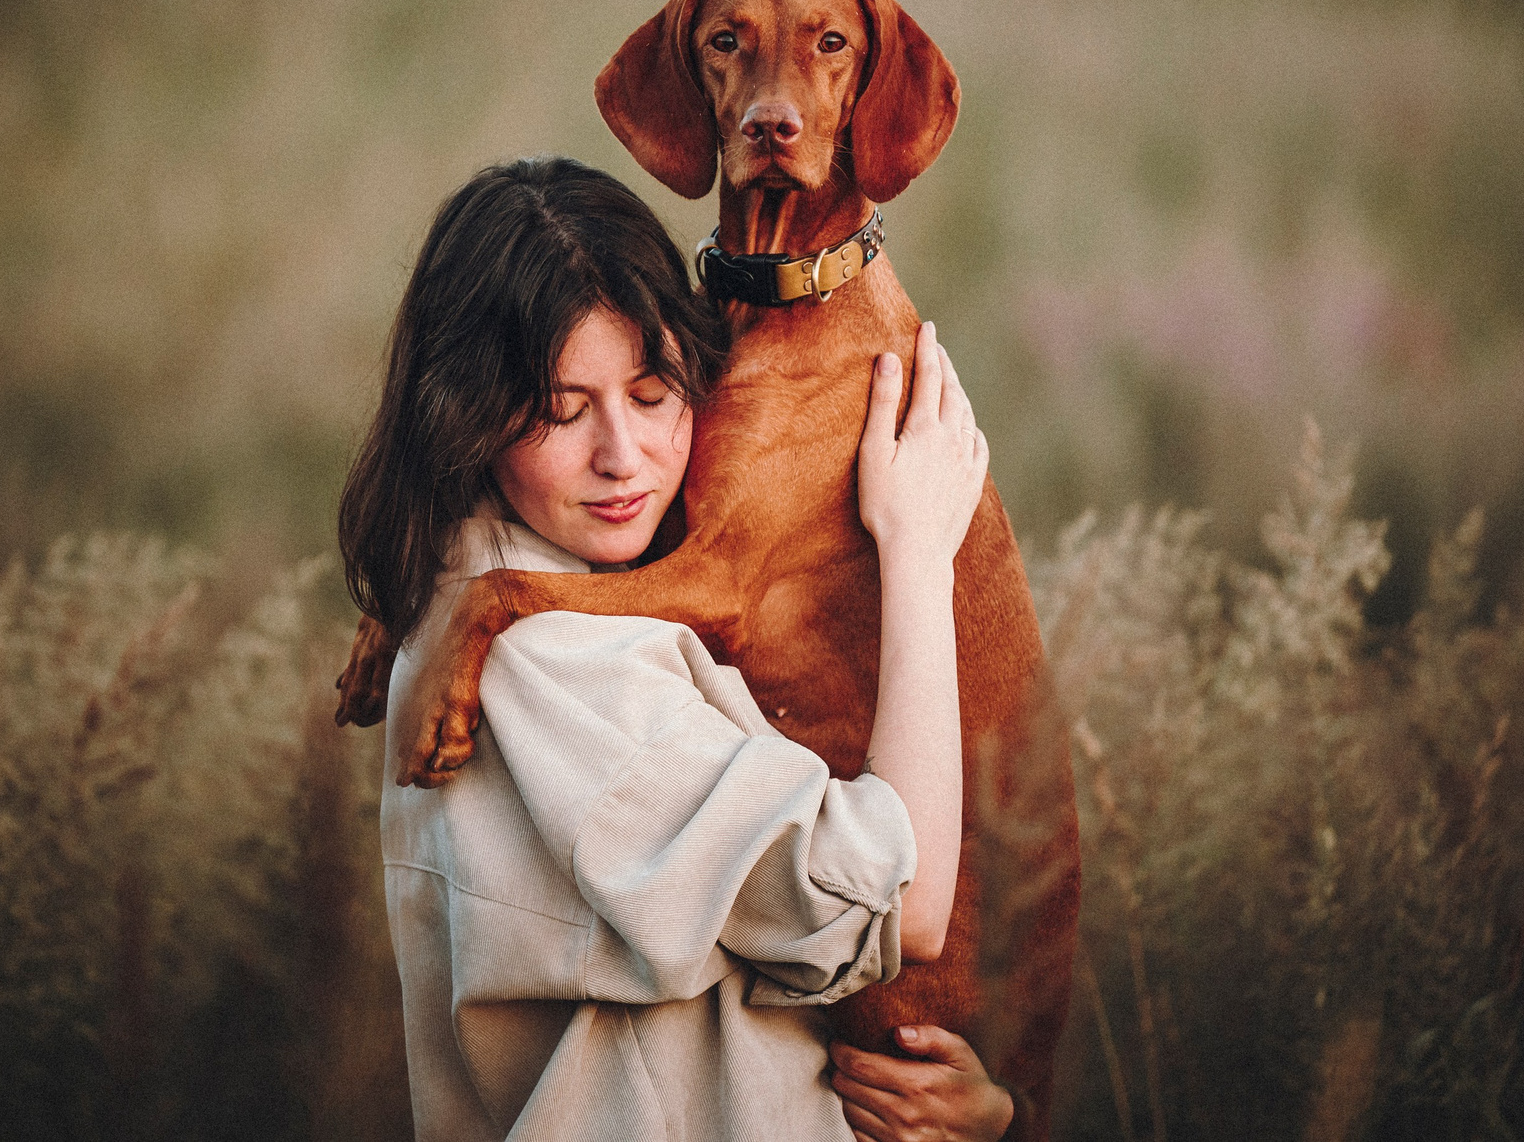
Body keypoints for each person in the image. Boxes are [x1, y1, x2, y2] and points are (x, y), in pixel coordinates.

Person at [340, 156, 1017, 1142]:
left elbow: (747, 978)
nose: (623, 456)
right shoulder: (548, 661)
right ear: (465, 415)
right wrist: (916, 555)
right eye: (560, 411)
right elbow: (897, 903)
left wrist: (972, 1114)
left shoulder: (541, 602)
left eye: (654, 393)